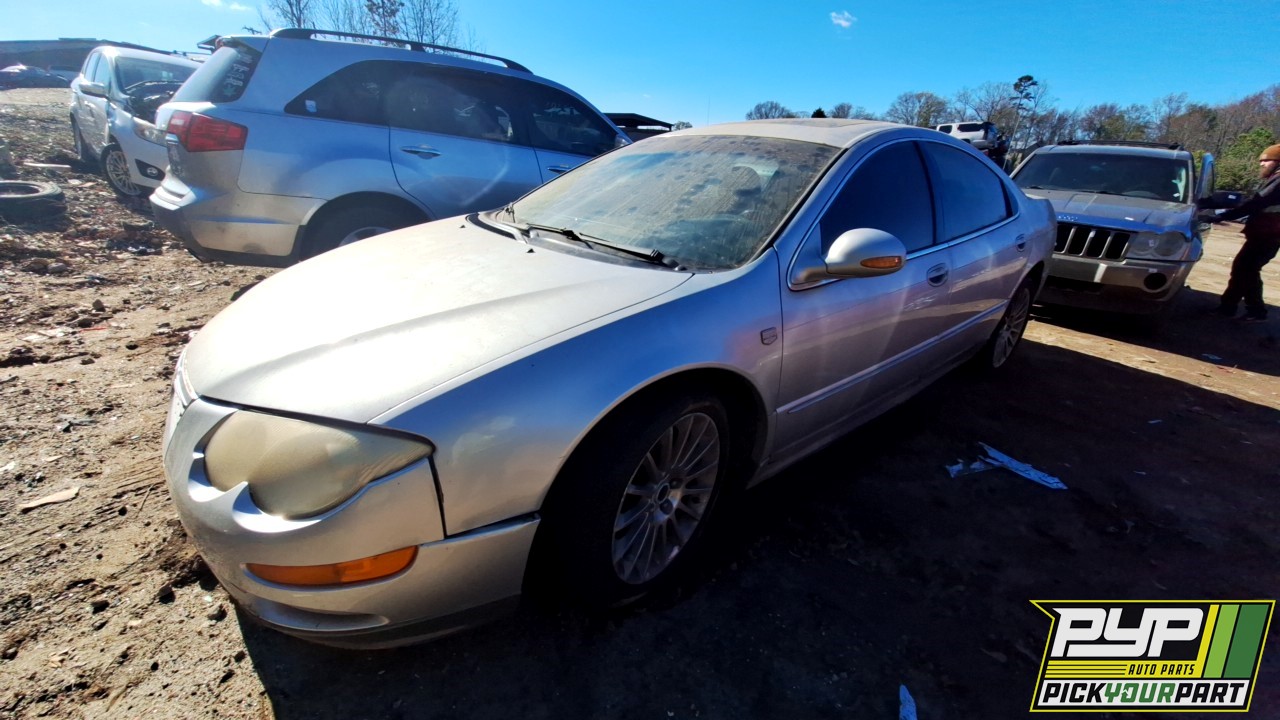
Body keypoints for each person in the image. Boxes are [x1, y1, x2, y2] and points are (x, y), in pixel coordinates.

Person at [1208, 144, 1280, 322]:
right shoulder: (1275, 179)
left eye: (1266, 161)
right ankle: (1244, 309)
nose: (1262, 164)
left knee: (1245, 269)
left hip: (1268, 236)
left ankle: (1235, 308)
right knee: (1246, 270)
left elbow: (1255, 202)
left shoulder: (1278, 181)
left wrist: (1225, 215)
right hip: (1264, 234)